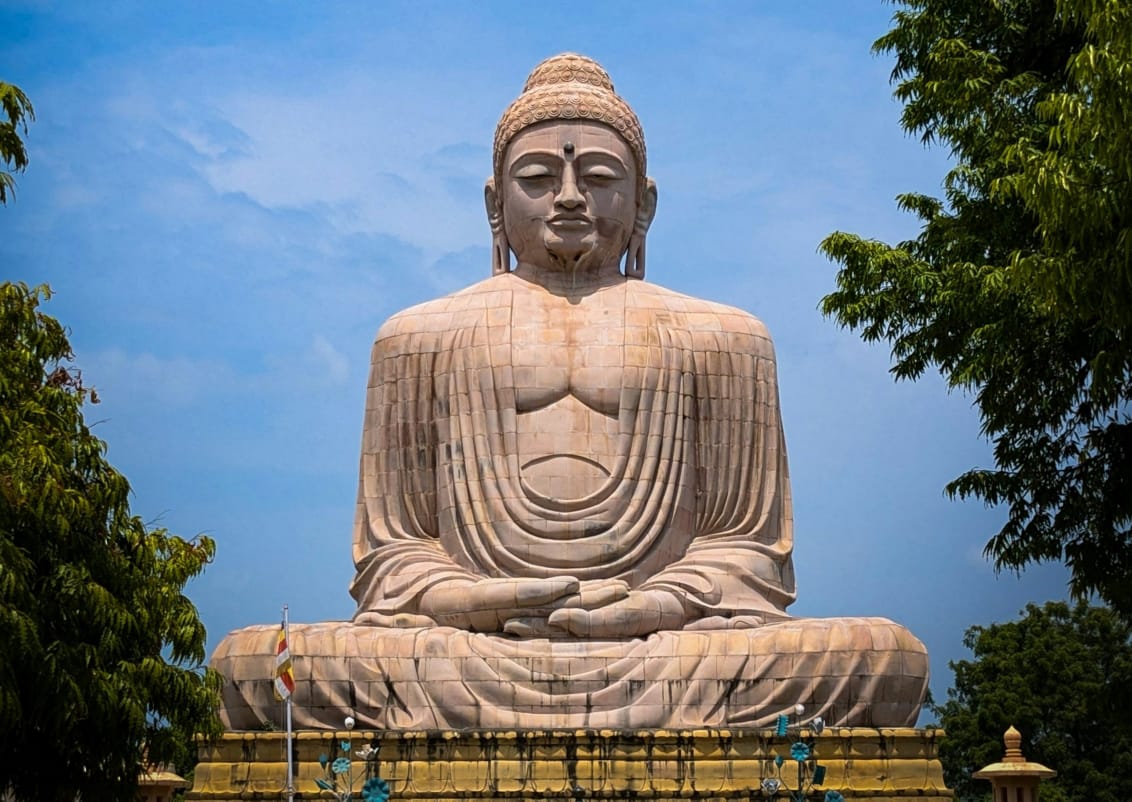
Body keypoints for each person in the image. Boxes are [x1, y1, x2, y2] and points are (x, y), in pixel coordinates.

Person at [212, 53, 928, 731]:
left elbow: (747, 549)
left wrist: (648, 607)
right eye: (536, 177)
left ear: (644, 204)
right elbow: (395, 556)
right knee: (252, 665)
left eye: (599, 176)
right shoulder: (416, 338)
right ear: (495, 204)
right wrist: (477, 599)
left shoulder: (725, 337)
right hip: (470, 648)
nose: (569, 197)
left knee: (885, 660)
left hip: (665, 643)